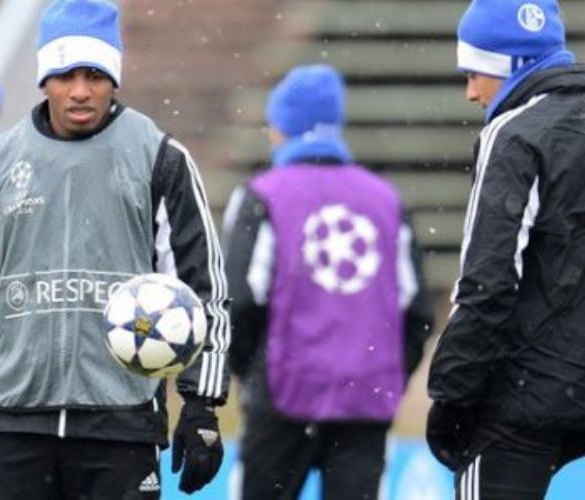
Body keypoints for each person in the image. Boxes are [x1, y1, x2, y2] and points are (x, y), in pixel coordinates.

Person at [0, 1, 231, 498]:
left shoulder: (160, 159)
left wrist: (201, 405)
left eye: (95, 75)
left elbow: (202, 295)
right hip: (9, 426)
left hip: (120, 429)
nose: (80, 91)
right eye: (65, 75)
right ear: (44, 78)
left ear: (114, 78)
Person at [223, 64, 434, 500]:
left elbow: (241, 301)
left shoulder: (262, 195)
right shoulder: (386, 200)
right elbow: (417, 311)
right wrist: (386, 377)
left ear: (281, 126)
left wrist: (250, 373)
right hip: (365, 401)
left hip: (283, 396)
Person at [426, 0, 585, 497]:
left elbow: (487, 283)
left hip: (523, 400)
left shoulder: (513, 134)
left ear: (513, 67)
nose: (472, 92)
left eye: (477, 73)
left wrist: (451, 395)